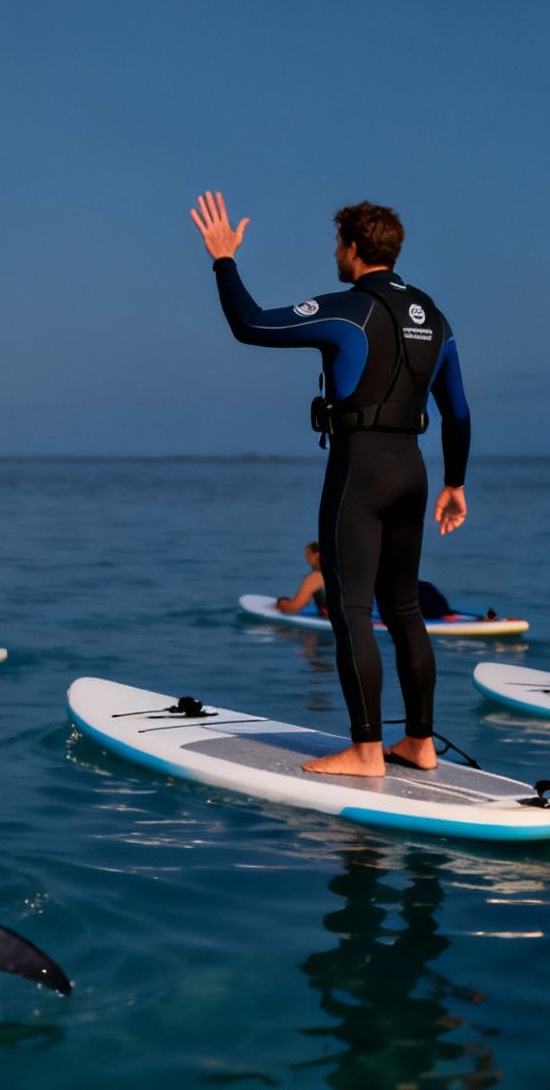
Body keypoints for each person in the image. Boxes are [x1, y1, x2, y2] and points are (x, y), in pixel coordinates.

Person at [193, 192, 468, 776]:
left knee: (350, 610)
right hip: (414, 472)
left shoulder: (348, 309)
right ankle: (420, 743)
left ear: (353, 248)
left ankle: (367, 750)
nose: (334, 255)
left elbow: (251, 323)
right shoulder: (435, 318)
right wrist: (456, 484)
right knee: (404, 611)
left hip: (360, 471)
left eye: (337, 245)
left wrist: (223, 260)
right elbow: (459, 413)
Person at [277, 542, 457, 621]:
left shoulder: (315, 578)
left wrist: (281, 605)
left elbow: (294, 607)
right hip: (364, 614)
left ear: (311, 558)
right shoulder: (341, 571)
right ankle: (457, 613)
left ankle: (443, 612)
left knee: (416, 593)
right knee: (420, 588)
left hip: (345, 620)